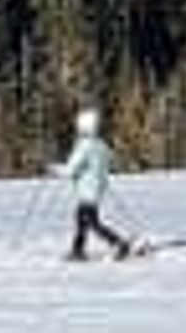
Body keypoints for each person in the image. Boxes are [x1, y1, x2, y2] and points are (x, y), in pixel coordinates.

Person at [57, 105, 134, 261]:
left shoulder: (84, 146)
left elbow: (70, 170)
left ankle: (119, 243)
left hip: (87, 190)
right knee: (82, 219)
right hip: (97, 189)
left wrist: (53, 169)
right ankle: (78, 250)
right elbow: (110, 162)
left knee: (91, 222)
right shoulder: (101, 145)